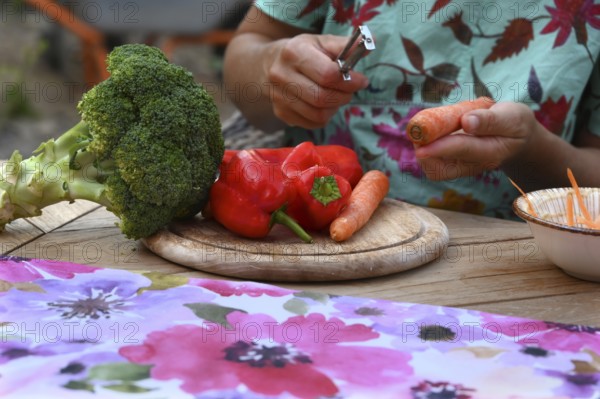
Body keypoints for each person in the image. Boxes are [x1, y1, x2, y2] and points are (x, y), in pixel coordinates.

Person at [223, 0, 600, 219]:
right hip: (308, 233)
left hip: (514, 263)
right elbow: (248, 50)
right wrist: (272, 67)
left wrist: (531, 150)